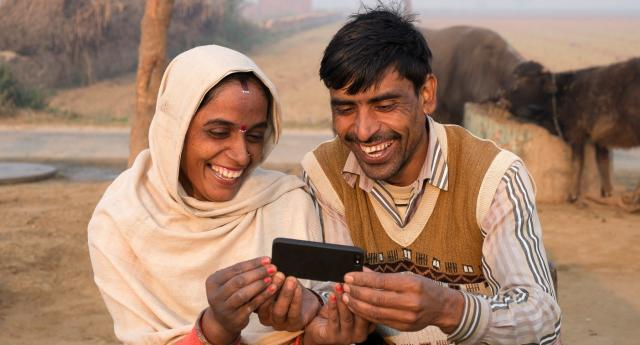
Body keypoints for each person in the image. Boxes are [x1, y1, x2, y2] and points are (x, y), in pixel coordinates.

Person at [301, 7, 562, 345]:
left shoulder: (495, 176)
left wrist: (450, 309)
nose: (363, 132)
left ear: (426, 95)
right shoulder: (323, 173)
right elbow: (329, 292)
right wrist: (321, 314)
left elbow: (541, 317)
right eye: (345, 109)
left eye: (385, 105)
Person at [88, 45, 349, 345]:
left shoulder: (287, 202)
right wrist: (215, 329)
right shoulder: (121, 219)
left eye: (253, 135)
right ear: (175, 129)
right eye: (218, 132)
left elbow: (329, 319)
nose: (241, 155)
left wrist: (314, 312)